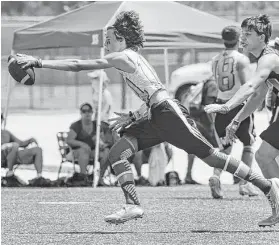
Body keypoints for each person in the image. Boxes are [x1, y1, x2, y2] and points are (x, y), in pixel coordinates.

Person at [16, 11, 278, 227]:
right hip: (156, 115)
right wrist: (134, 115)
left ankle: (267, 187)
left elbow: (77, 65)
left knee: (210, 156)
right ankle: (132, 205)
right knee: (117, 153)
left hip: (168, 114)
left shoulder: (121, 56)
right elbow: (152, 90)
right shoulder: (131, 58)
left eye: (108, 38)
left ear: (120, 38)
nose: (105, 43)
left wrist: (38, 62)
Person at [205, 14, 279, 227]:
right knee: (264, 156)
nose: (243, 38)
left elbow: (250, 86)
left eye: (248, 34)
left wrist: (226, 107)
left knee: (263, 155)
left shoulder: (269, 58)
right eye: (242, 33)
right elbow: (257, 97)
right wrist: (235, 120)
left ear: (262, 36)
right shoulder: (264, 59)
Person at [209, 25, 258, 199]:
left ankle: (215, 176)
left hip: (221, 105)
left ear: (223, 39)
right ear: (239, 39)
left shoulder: (214, 59)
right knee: (248, 144)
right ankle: (244, 184)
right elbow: (246, 86)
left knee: (225, 148)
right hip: (238, 106)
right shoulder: (241, 59)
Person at [180, 77, 218, 184]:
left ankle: (188, 175)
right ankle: (216, 176)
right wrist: (213, 125)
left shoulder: (204, 82)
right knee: (221, 147)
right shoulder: (213, 85)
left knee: (193, 148)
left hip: (193, 119)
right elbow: (209, 106)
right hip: (201, 121)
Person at [66, 103, 112, 186]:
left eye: (89, 111)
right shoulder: (76, 125)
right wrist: (82, 144)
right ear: (81, 113)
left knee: (106, 152)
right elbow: (69, 140)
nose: (87, 113)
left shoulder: (96, 125)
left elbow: (102, 140)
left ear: (92, 112)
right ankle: (83, 178)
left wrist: (101, 144)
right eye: (84, 111)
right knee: (84, 151)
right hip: (76, 152)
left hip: (93, 151)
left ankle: (100, 179)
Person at [1, 113, 44, 186]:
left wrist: (30, 140)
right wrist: (6, 146)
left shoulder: (5, 133)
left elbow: (21, 143)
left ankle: (39, 177)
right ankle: (10, 172)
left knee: (37, 150)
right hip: (3, 157)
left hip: (12, 155)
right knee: (14, 146)